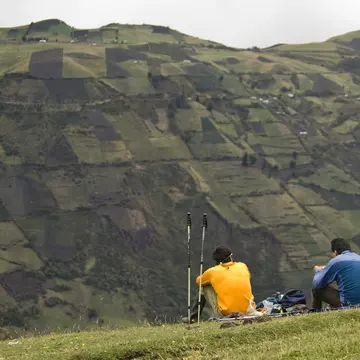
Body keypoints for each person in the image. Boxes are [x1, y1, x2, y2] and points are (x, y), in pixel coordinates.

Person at [182, 246, 262, 323]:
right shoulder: (242, 266)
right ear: (230, 256)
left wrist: (210, 278)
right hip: (249, 311)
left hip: (226, 313)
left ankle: (193, 318)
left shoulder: (212, 272)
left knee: (203, 286)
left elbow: (198, 281)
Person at [312, 238, 360, 309]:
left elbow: (317, 283)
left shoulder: (336, 261)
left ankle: (315, 312)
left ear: (335, 252)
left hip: (348, 303)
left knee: (317, 289)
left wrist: (318, 270)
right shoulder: (358, 258)